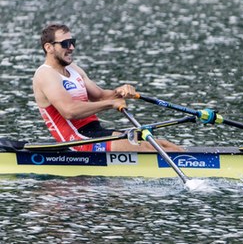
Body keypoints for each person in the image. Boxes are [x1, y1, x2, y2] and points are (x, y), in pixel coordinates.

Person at [32, 23, 183, 152]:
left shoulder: (73, 68)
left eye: (72, 42)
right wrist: (111, 104)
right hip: (76, 140)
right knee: (145, 149)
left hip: (95, 132)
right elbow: (69, 111)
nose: (71, 47)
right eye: (65, 44)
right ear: (49, 47)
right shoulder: (45, 75)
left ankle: (195, 165)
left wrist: (121, 92)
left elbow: (101, 96)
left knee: (162, 144)